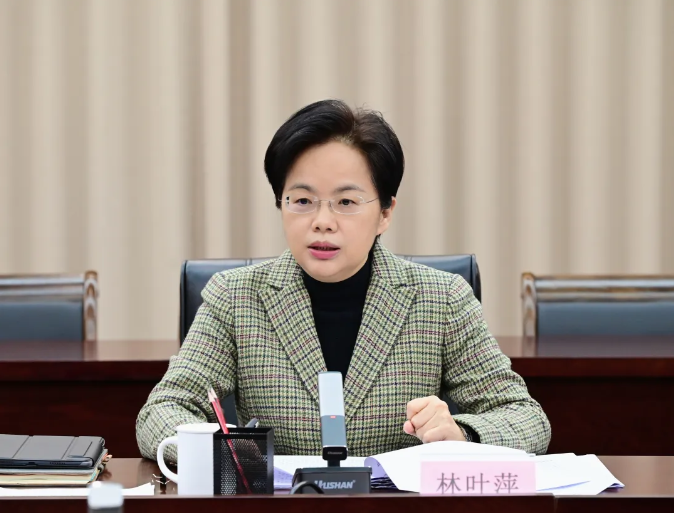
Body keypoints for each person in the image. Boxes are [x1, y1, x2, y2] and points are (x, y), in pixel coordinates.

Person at [136, 99, 551, 462]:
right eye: (302, 200)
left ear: (385, 212)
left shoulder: (442, 299)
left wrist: (462, 434)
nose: (322, 221)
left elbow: (525, 418)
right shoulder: (235, 297)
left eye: (346, 201)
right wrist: (229, 455)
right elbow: (162, 411)